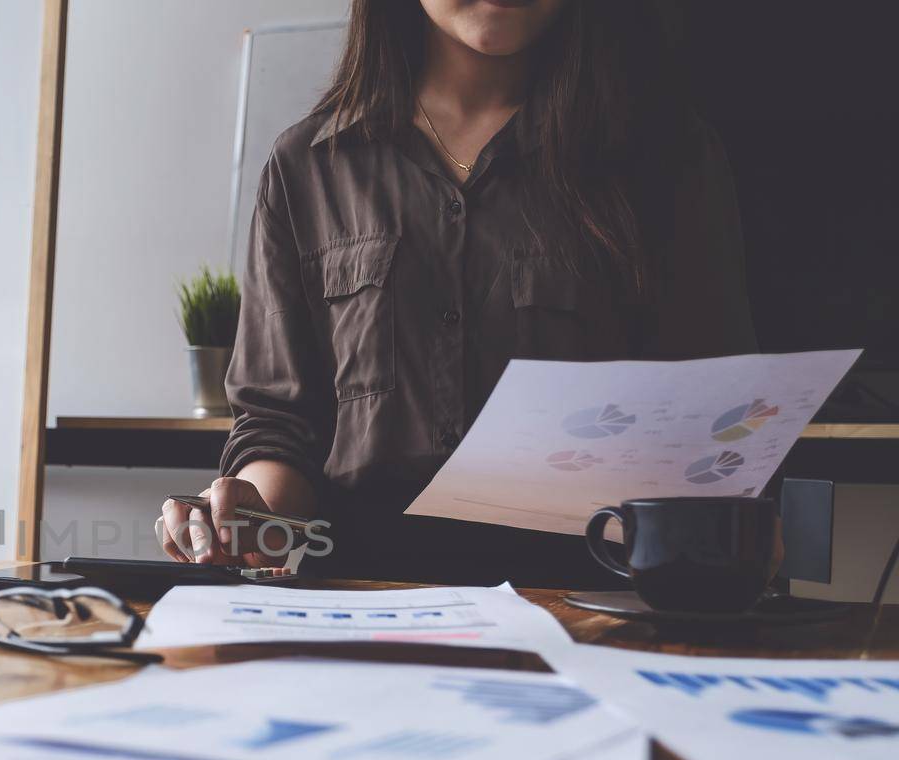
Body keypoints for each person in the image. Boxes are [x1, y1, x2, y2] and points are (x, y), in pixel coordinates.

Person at [159, 0, 755, 587]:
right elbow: (280, 422)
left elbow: (708, 409)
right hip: (360, 596)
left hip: (590, 595)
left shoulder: (667, 158)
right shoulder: (308, 166)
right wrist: (247, 516)